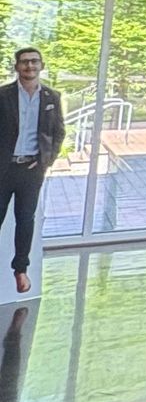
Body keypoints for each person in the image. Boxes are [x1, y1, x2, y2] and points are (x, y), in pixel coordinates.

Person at [0, 48, 65, 294]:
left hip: (31, 170)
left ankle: (20, 270)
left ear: (42, 65)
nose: (30, 66)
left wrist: (46, 160)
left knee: (26, 220)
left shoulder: (52, 97)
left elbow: (58, 132)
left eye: (34, 62)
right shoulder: (3, 95)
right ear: (17, 67)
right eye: (25, 62)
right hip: (3, 169)